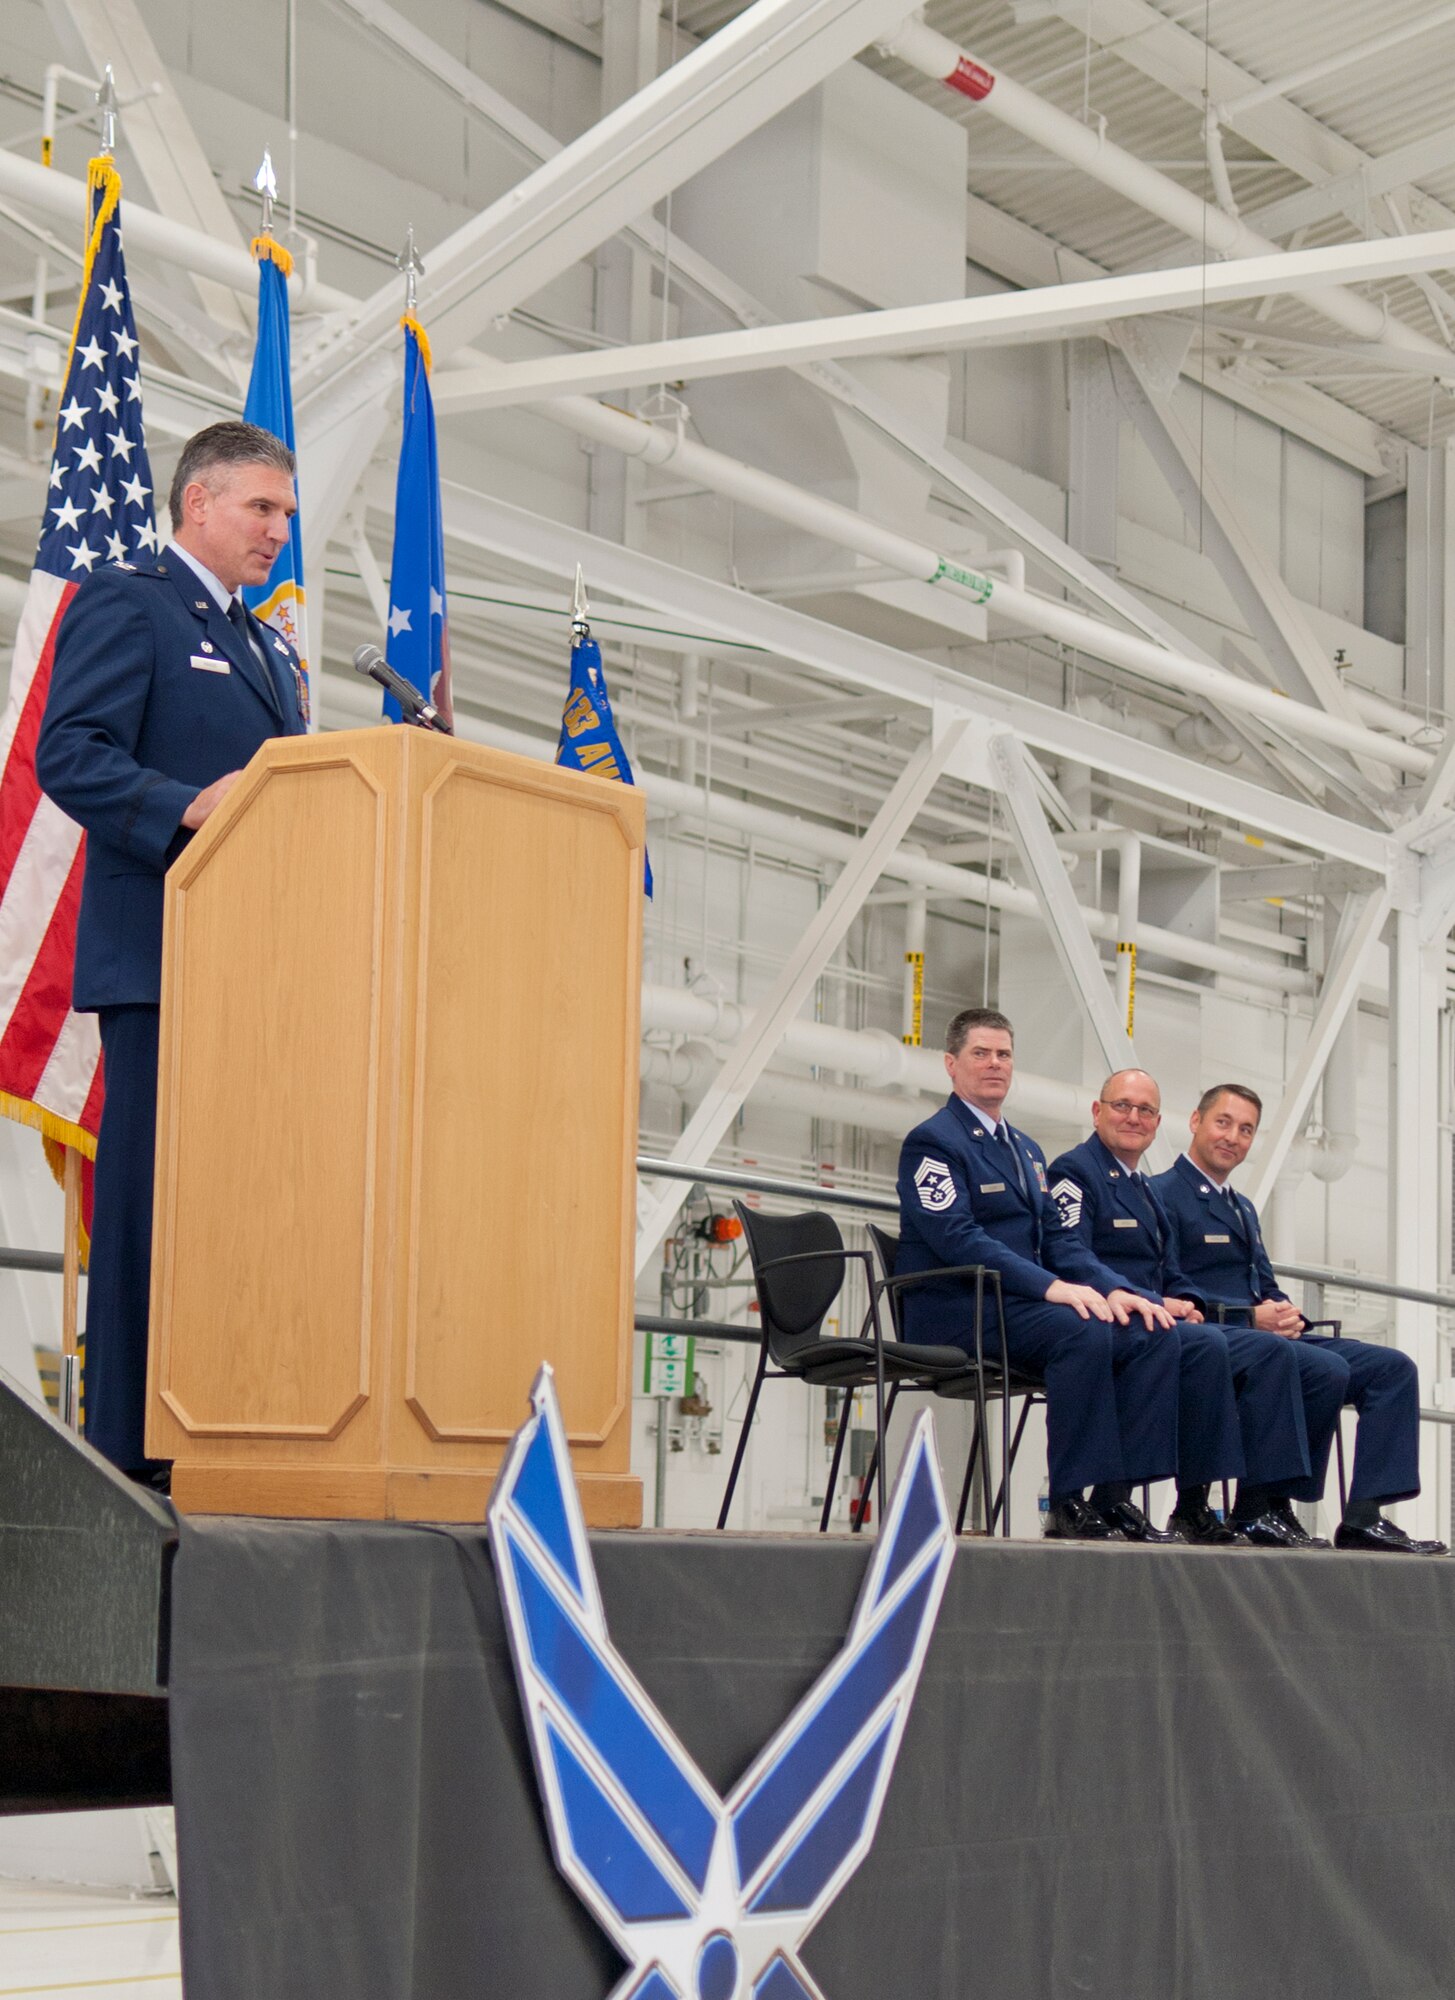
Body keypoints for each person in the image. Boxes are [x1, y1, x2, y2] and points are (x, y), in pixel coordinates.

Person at [36, 420, 307, 1483]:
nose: (279, 531)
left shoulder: (270, 649)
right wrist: (185, 803)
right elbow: (72, 752)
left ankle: (218, 1430)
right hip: (162, 959)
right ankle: (129, 1457)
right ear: (198, 503)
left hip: (257, 976)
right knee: (151, 1207)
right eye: (262, 508)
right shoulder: (133, 598)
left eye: (285, 513)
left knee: (237, 1211)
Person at [896, 1007, 1182, 1541]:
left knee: (1151, 1334)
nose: (994, 1064)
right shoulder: (932, 1142)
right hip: (958, 1307)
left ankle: (1115, 1497)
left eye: (1003, 1054)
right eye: (980, 1053)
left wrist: (1119, 1290)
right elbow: (958, 1237)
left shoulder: (1025, 1150)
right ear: (951, 1065)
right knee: (1084, 1332)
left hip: (1017, 1306)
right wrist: (1052, 1287)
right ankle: (1068, 1503)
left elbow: (1060, 1240)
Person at [1152, 1083, 1446, 1555]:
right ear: (1195, 1121)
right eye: (1223, 1123)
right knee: (1316, 1367)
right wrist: (1253, 1318)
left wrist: (1286, 1313)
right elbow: (1170, 1287)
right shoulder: (1162, 1194)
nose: (1233, 1137)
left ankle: (1363, 1517)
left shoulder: (1241, 1206)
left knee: (1392, 1369)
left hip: (1268, 1333)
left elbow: (1262, 1280)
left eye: (1246, 1130)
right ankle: (1258, 1506)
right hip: (1217, 1336)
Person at [1048, 1070, 1319, 1548]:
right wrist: (1155, 1302)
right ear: (1097, 1111)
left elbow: (1170, 1270)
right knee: (1211, 1346)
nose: (1134, 1118)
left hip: (1152, 1319)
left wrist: (1189, 1304)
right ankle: (1122, 1496)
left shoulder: (1143, 1189)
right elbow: (1068, 1252)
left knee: (1208, 1342)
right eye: (1122, 1106)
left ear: (1157, 1122)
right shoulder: (1075, 1172)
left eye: (1146, 1111)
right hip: (1102, 1316)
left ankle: (1194, 1505)